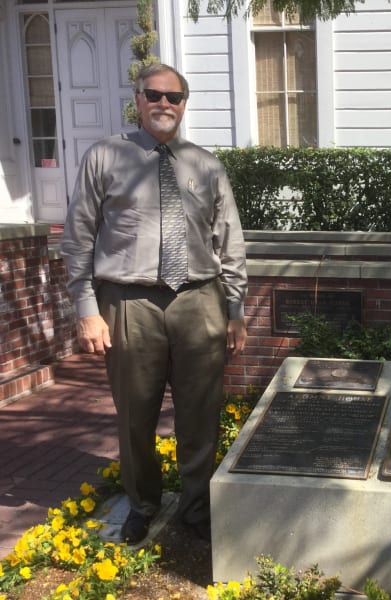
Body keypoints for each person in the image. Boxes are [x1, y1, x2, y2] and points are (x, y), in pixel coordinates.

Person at [60, 63, 247, 544]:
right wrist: (86, 308)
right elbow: (78, 237)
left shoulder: (206, 164)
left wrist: (235, 309)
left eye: (175, 97)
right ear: (138, 99)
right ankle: (142, 503)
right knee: (134, 415)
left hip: (199, 300)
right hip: (128, 304)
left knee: (200, 414)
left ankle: (196, 509)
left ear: (185, 104)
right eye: (155, 95)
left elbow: (230, 242)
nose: (165, 104)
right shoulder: (105, 157)